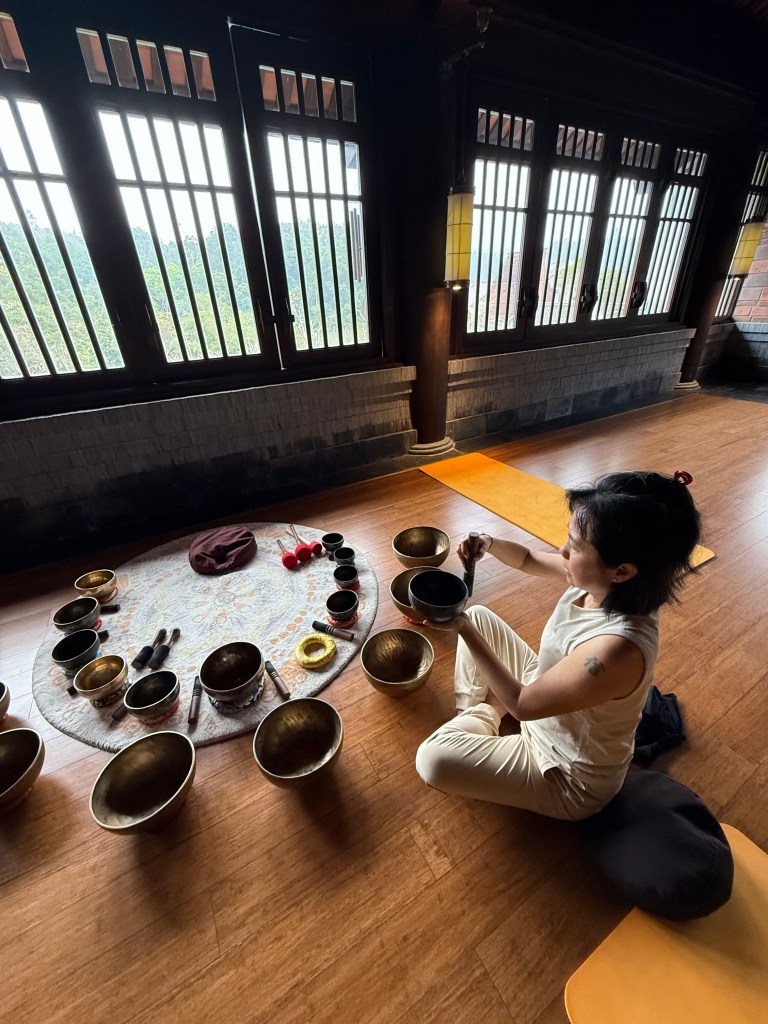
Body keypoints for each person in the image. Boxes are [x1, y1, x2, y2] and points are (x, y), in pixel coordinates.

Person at [414, 470, 701, 820]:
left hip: (565, 773)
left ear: (622, 570)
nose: (562, 551)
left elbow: (521, 704)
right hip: (542, 696)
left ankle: (483, 714)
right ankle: (482, 716)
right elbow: (527, 559)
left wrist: (462, 630)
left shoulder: (616, 650)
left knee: (433, 760)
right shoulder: (609, 584)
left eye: (575, 546)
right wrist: (489, 543)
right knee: (479, 615)